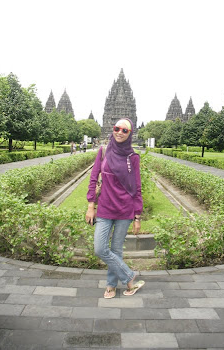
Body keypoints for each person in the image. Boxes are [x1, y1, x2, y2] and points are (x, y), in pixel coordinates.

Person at [85, 118, 144, 299]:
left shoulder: (132, 157)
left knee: (116, 250)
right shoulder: (103, 152)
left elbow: (137, 187)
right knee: (100, 248)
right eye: (117, 128)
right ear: (113, 129)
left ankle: (111, 286)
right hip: (104, 208)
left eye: (124, 130)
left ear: (129, 134)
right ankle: (129, 276)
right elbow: (94, 177)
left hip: (124, 210)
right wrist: (90, 205)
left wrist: (137, 216)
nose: (119, 132)